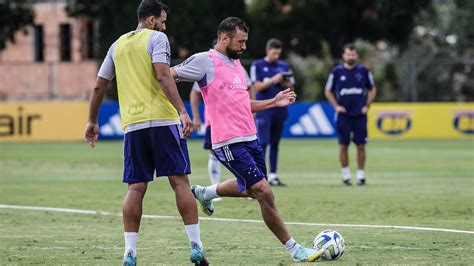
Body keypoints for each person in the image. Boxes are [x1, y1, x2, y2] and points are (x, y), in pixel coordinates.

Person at [171, 17, 322, 262]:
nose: (244, 47)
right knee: (264, 192)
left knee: (252, 190)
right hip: (227, 142)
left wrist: (274, 101)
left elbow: (243, 104)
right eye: (240, 42)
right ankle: (296, 250)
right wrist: (181, 111)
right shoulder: (204, 61)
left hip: (250, 138)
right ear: (224, 38)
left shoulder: (237, 66)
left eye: (245, 42)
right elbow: (167, 75)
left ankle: (205, 192)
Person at [83, 1, 208, 265]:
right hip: (163, 120)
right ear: (151, 21)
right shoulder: (157, 38)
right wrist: (183, 112)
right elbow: (163, 76)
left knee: (136, 187)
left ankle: (130, 251)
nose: (164, 26)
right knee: (180, 183)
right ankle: (196, 246)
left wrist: (91, 121)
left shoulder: (117, 45)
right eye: (162, 21)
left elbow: (98, 87)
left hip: (133, 124)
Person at [189, 39, 253, 188]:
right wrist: (196, 116)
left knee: (243, 154)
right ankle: (214, 187)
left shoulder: (238, 67)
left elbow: (250, 87)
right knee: (215, 154)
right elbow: (194, 92)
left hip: (240, 121)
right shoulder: (208, 66)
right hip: (216, 122)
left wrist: (250, 109)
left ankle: (247, 186)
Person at [324, 43, 377, 186]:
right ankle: (346, 176)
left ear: (357, 55)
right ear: (343, 55)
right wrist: (336, 106)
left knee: (361, 145)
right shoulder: (336, 72)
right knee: (343, 145)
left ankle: (361, 176)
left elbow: (372, 90)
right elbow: (328, 90)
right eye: (348, 54)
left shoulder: (364, 71)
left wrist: (367, 105)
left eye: (353, 54)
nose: (351, 56)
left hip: (360, 114)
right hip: (344, 116)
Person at [250, 38, 295, 186]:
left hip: (280, 109)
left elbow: (291, 87)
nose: (276, 56)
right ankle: (261, 176)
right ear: (267, 50)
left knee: (275, 142)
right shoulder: (257, 65)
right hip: (264, 108)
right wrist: (275, 79)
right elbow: (258, 87)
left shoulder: (284, 66)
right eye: (274, 53)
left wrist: (285, 83)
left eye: (278, 53)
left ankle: (274, 175)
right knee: (263, 142)